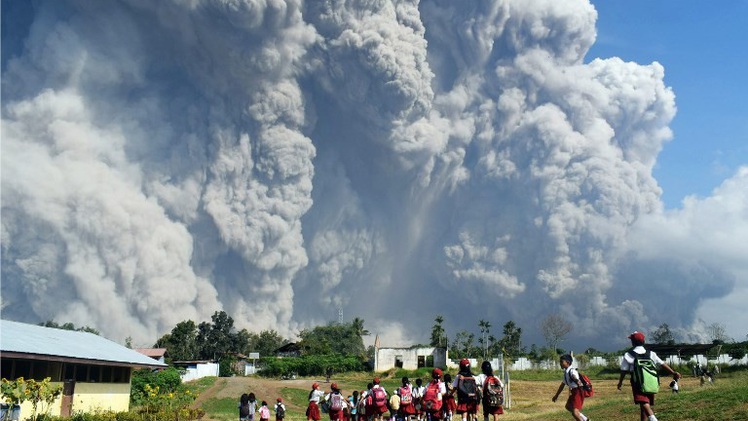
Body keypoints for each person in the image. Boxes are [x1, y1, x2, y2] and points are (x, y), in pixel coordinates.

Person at [617, 331, 681, 421]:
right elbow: (662, 364)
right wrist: (673, 372)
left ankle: (653, 419)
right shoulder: (651, 353)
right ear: (644, 341)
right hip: (651, 380)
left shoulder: (629, 355)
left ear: (633, 342)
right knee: (645, 403)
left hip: (637, 382)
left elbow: (624, 370)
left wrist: (620, 382)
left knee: (643, 402)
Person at [551, 355, 588, 421]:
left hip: (578, 392)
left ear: (567, 362)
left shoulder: (572, 371)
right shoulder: (566, 372)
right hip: (574, 392)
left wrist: (576, 380)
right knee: (568, 406)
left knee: (575, 413)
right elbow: (562, 385)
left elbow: (574, 376)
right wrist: (556, 396)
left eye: (561, 362)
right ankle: (585, 419)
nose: (560, 364)